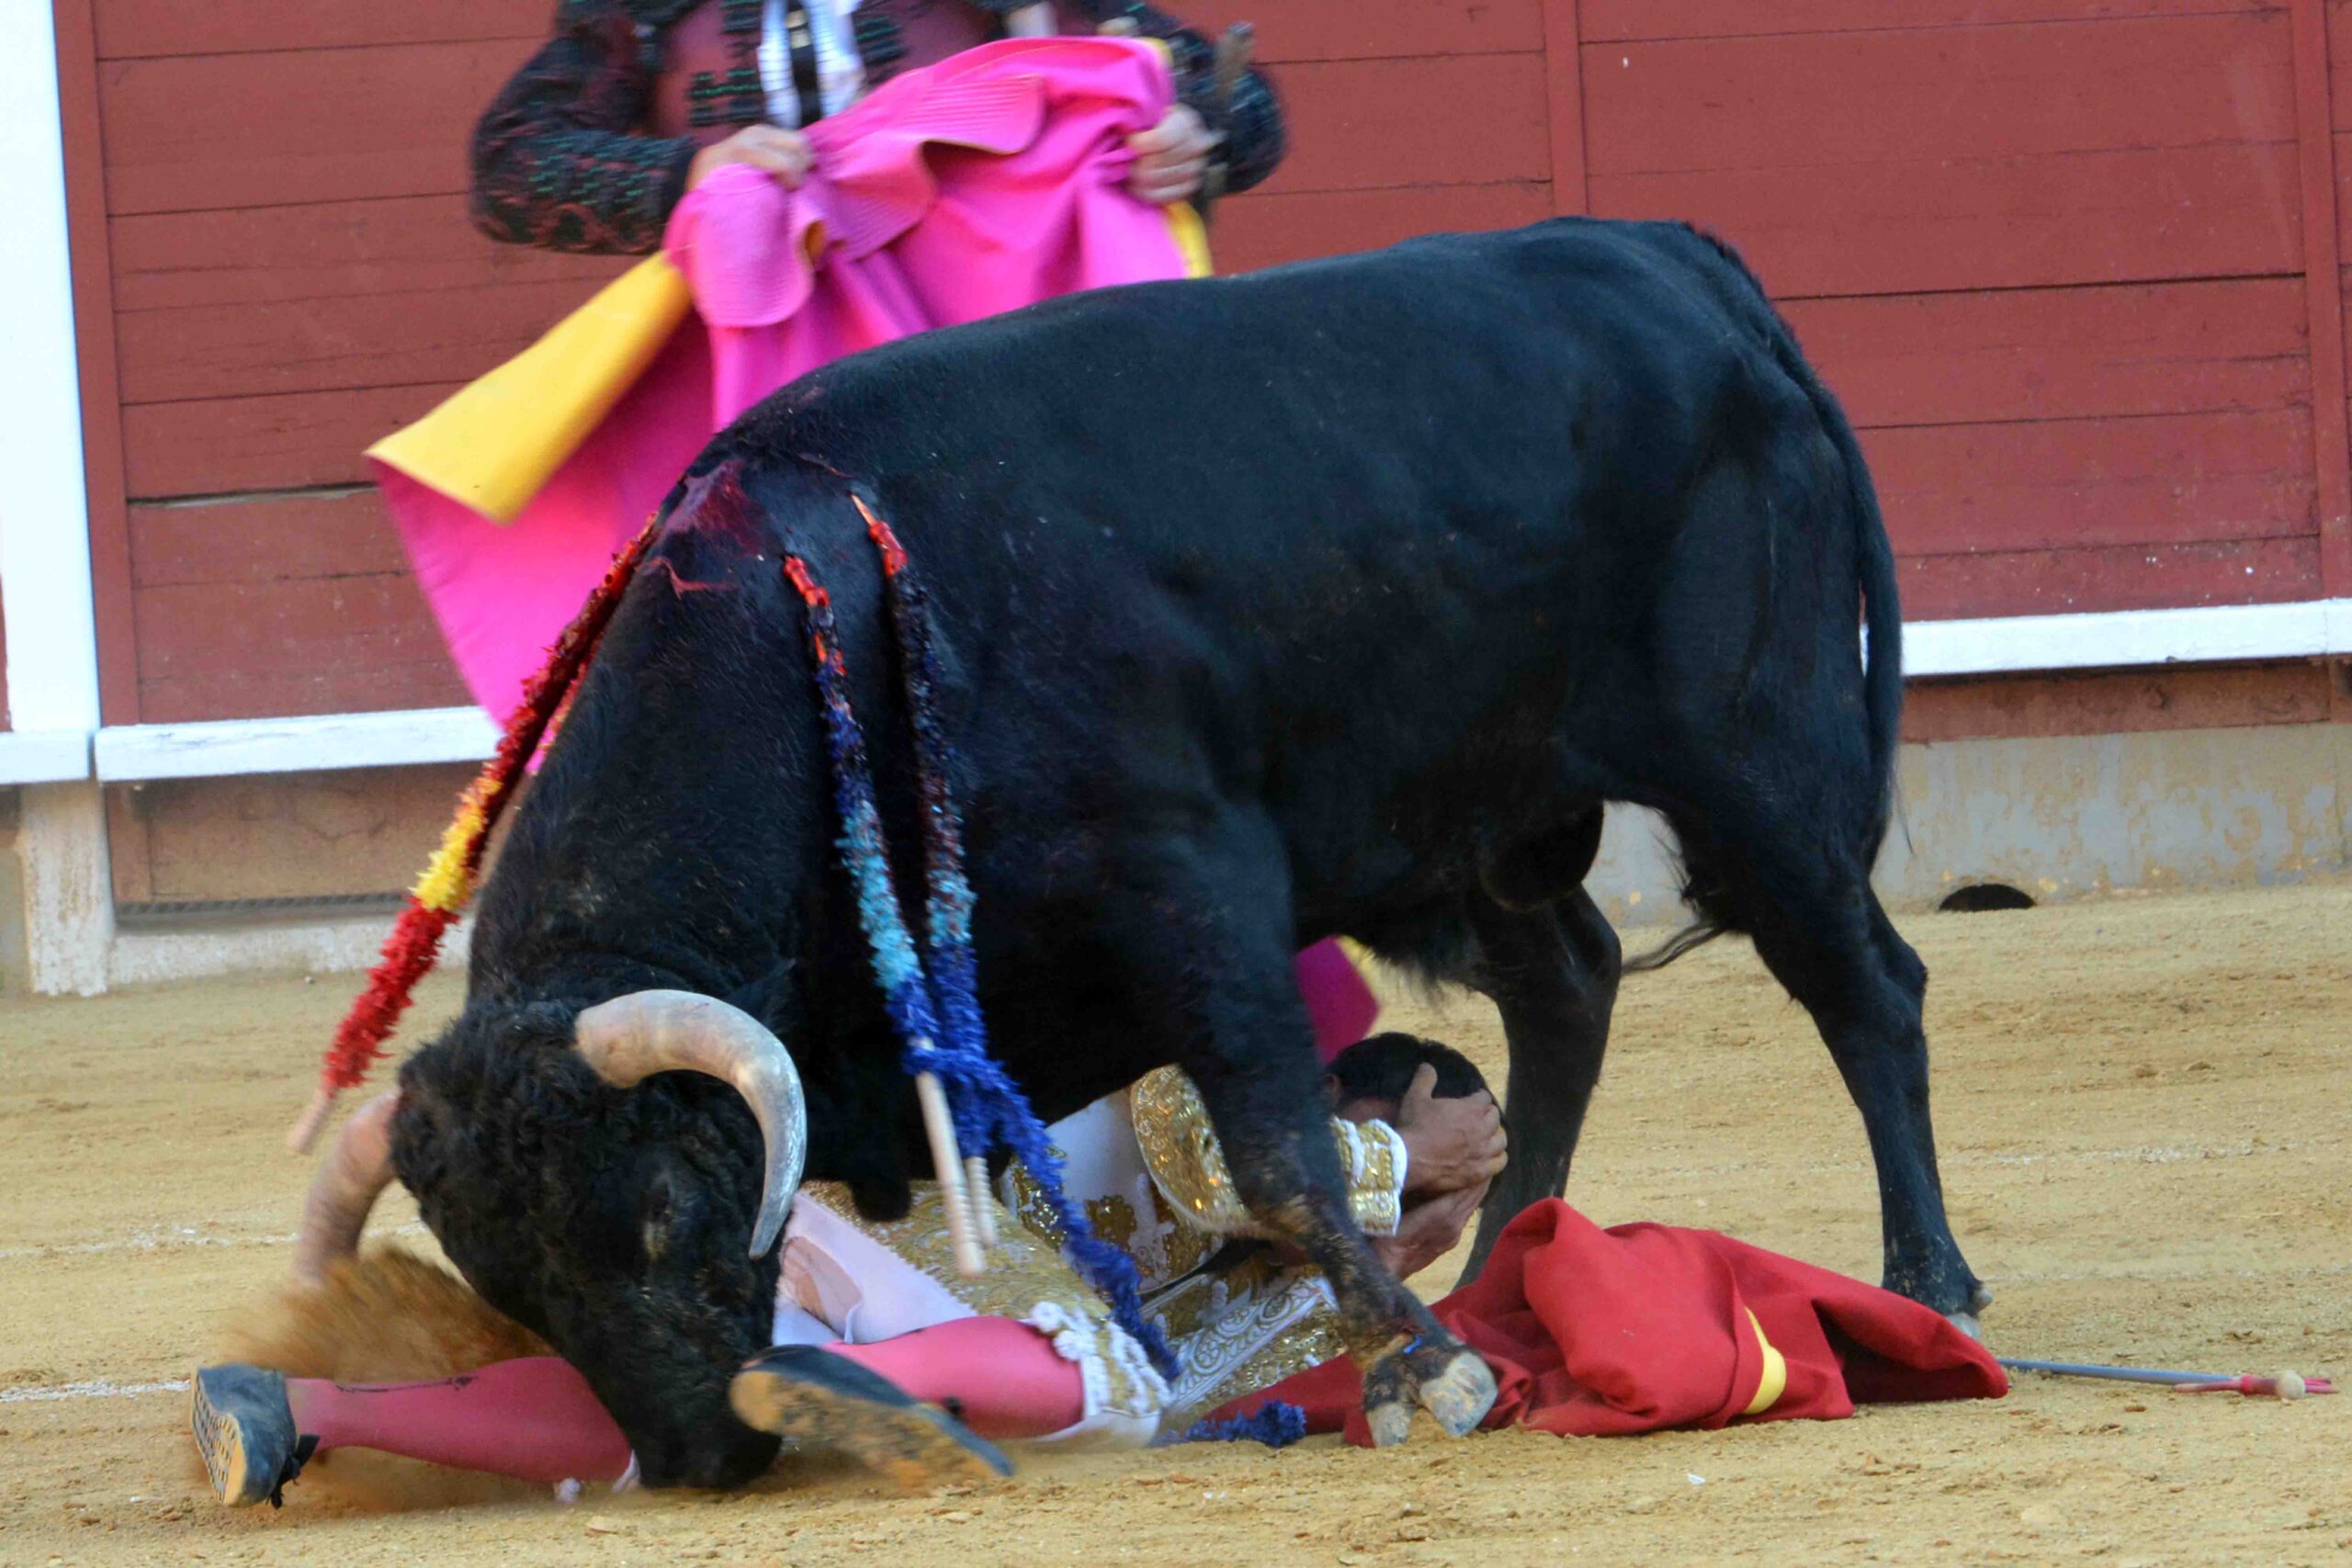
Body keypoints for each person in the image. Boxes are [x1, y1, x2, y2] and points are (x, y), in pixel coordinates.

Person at [189, 1034, 1506, 1506]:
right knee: (1105, 1370)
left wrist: (1360, 1262)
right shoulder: (1205, 1082)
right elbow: (1228, 1169)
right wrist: (1393, 1170)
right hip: (849, 1250)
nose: (1439, 1206)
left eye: (1463, 1197)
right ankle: (829, 1377)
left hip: (805, 1280)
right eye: (1422, 1156)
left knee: (664, 1428)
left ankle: (294, 1411)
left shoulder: (1300, 1269)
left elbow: (1203, 1390)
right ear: (1330, 1093)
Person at [468, 0, 1286, 257]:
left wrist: (1191, 136)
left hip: (988, 345)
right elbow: (509, 168)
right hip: (754, 362)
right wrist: (690, 174)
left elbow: (1240, 102)